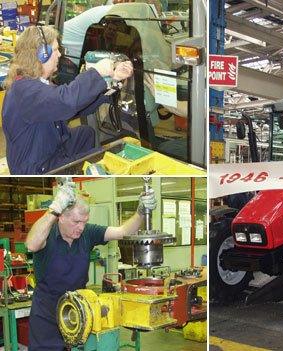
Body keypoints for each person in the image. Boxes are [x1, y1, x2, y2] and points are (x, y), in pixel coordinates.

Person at [26, 180, 156, 349]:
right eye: (76, 222)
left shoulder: (87, 233)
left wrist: (140, 212)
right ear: (61, 217)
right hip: (47, 316)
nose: (81, 227)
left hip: (78, 313)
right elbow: (31, 244)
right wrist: (54, 207)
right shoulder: (46, 234)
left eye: (84, 222)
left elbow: (122, 232)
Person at [2, 25, 133, 174]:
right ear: (42, 54)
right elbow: (67, 101)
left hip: (46, 147)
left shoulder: (34, 82)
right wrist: (97, 72)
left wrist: (113, 82)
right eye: (56, 49)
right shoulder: (24, 90)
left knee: (85, 134)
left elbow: (73, 108)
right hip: (38, 166)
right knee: (101, 156)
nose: (59, 55)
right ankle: (86, 174)